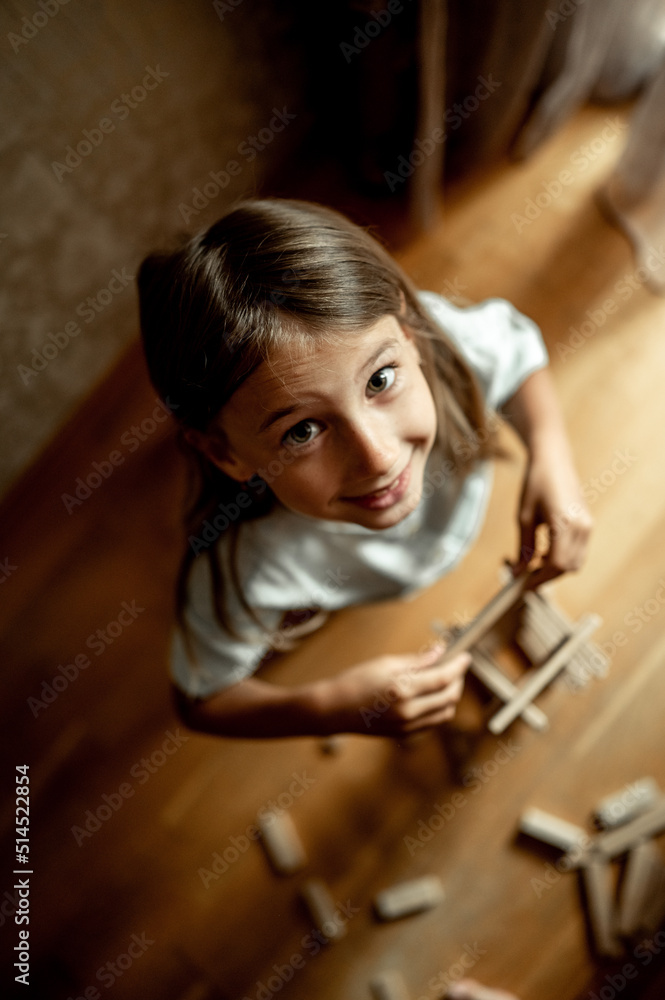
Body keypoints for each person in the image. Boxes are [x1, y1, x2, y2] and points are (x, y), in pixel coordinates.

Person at [137, 197, 591, 740]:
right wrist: (329, 705)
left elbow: (516, 351)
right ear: (224, 453)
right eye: (302, 431)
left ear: (409, 332)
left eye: (379, 381)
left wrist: (550, 452)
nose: (378, 458)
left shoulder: (444, 340)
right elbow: (201, 698)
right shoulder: (248, 567)